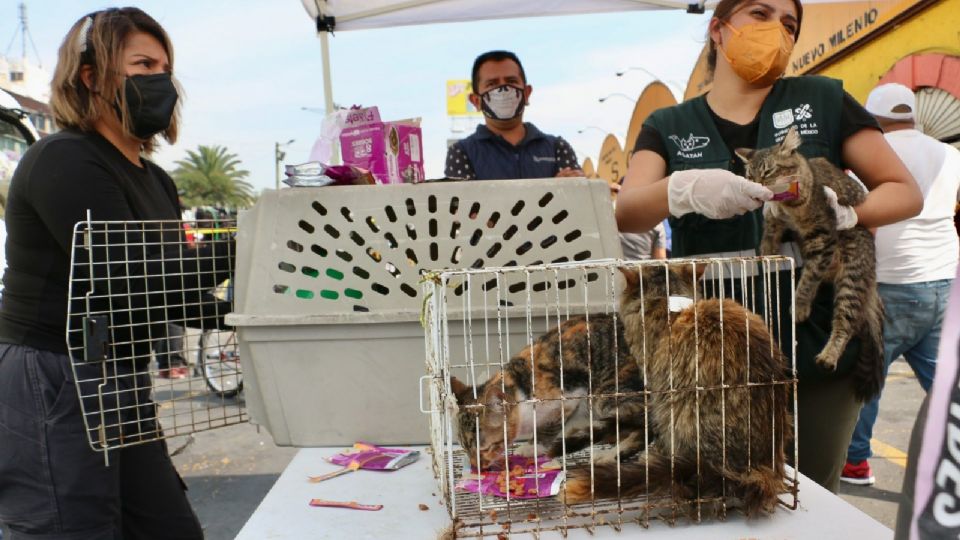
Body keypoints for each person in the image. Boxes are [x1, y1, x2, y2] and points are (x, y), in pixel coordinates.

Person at [615, 0, 922, 492]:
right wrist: (681, 189)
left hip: (817, 331)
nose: (777, 30)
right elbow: (628, 211)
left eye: (790, 23)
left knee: (812, 495)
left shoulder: (822, 100)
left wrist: (850, 212)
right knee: (717, 490)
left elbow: (903, 190)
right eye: (759, 13)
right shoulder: (668, 125)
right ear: (719, 29)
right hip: (711, 345)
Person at [0, 8, 231, 539]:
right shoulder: (66, 160)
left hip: (119, 379)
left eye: (166, 69)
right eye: (143, 64)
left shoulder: (157, 181)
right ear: (91, 76)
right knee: (70, 528)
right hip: (54, 376)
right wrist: (254, 244)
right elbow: (131, 278)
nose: (160, 81)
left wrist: (249, 316)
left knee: (168, 527)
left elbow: (172, 295)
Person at [841, 83, 960, 486]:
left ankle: (856, 462)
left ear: (873, 120)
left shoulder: (871, 158)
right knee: (946, 383)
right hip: (944, 281)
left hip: (890, 284)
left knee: (867, 377)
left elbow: (863, 223)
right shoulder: (952, 155)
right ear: (913, 115)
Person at [444, 50, 583, 180]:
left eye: (511, 81)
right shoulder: (462, 152)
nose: (503, 89)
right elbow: (461, 203)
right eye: (492, 84)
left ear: (527, 93)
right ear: (476, 101)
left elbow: (577, 197)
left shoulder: (557, 148)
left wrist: (572, 184)